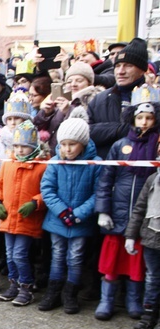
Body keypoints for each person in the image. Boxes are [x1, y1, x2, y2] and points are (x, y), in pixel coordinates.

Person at [94, 90, 160, 321]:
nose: (144, 122)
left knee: (137, 263)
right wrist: (103, 209)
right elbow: (106, 179)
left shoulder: (157, 145)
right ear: (133, 118)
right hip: (117, 211)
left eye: (149, 118)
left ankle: (134, 300)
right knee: (112, 260)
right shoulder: (119, 145)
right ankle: (107, 300)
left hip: (143, 216)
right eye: (140, 117)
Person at [38, 118, 102, 314]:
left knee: (75, 257)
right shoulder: (56, 162)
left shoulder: (95, 163)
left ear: (82, 143)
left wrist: (78, 214)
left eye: (72, 145)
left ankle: (70, 294)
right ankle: (54, 292)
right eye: (63, 144)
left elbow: (98, 192)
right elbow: (47, 189)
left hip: (81, 221)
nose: (67, 149)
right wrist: (62, 212)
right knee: (57, 256)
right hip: (58, 220)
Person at [0, 121, 48, 305]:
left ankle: (26, 286)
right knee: (9, 254)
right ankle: (14, 284)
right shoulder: (8, 164)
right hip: (8, 217)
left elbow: (47, 191)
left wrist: (35, 203)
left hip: (26, 219)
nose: (20, 150)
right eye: (17, 146)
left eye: (24, 146)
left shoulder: (42, 166)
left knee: (19, 254)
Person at [88, 38, 149, 158]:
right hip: (105, 171)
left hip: (141, 172)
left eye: (128, 66)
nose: (121, 71)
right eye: (118, 66)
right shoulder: (99, 100)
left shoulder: (153, 99)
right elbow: (86, 132)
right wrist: (117, 129)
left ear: (142, 70)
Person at [125, 168, 160, 329]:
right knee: (152, 278)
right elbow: (139, 208)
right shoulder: (153, 179)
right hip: (152, 236)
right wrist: (130, 236)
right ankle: (149, 314)